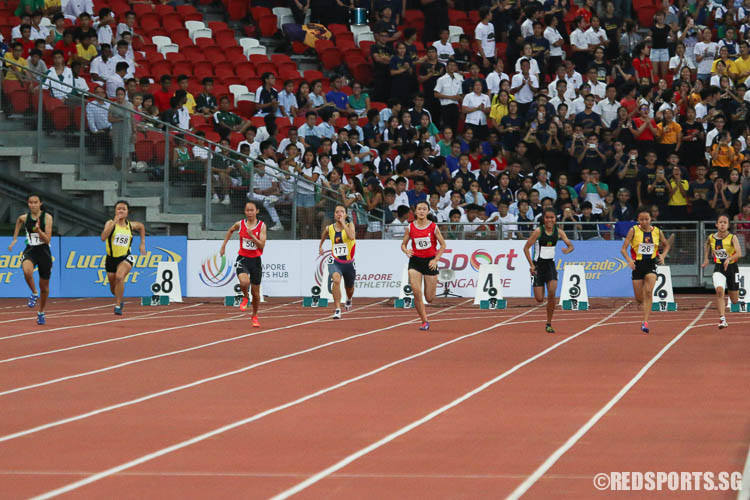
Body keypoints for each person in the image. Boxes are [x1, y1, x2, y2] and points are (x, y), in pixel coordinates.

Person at [523, 208, 575, 333]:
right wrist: (531, 265)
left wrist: (567, 250)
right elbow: (526, 248)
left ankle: (549, 322)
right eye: (547, 217)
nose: (550, 220)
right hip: (538, 267)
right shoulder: (538, 232)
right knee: (539, 299)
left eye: (552, 217)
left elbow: (571, 245)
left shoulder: (559, 232)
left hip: (550, 266)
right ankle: (543, 296)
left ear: (555, 219)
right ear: (543, 219)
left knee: (552, 292)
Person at [620, 206, 670, 333]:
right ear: (638, 220)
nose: (644, 222)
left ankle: (645, 322)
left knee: (648, 292)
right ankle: (644, 305)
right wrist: (629, 260)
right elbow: (623, 249)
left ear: (650, 219)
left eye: (646, 219)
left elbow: (666, 245)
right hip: (637, 266)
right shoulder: (633, 231)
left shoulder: (657, 231)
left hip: (650, 265)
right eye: (641, 219)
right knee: (639, 298)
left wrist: (663, 256)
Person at [400, 200, 447, 331]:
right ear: (415, 211)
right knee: (416, 293)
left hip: (430, 262)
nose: (421, 211)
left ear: (427, 211)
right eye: (419, 209)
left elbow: (443, 245)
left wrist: (436, 260)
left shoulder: (433, 227)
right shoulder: (410, 227)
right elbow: (403, 244)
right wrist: (406, 250)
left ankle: (426, 313)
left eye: (424, 209)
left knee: (430, 298)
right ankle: (424, 321)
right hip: (415, 262)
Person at [7, 194, 53, 325]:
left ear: (40, 203)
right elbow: (19, 221)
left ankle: (41, 312)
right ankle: (33, 292)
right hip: (30, 250)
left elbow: (48, 239)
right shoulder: (24, 217)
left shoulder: (47, 218)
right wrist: (15, 239)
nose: (32, 205)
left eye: (35, 202)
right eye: (30, 202)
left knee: (45, 288)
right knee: (27, 271)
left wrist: (39, 231)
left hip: (44, 252)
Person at [219, 201, 266, 327]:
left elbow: (262, 246)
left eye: (252, 210)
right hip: (243, 259)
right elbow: (230, 231)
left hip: (255, 261)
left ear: (257, 211)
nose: (249, 213)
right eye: (247, 210)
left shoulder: (261, 226)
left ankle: (254, 315)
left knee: (256, 295)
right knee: (244, 282)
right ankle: (245, 297)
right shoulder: (240, 224)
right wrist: (223, 246)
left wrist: (252, 236)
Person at [101, 200, 146, 316]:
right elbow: (103, 237)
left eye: (123, 209)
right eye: (118, 209)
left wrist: (142, 243)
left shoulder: (130, 225)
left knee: (120, 277)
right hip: (111, 259)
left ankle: (117, 305)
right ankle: (120, 299)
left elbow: (141, 226)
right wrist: (114, 223)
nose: (121, 210)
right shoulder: (110, 223)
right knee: (113, 289)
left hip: (125, 257)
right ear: (115, 211)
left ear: (127, 212)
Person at [702, 214, 743, 329]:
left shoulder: (732, 237)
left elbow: (739, 253)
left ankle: (732, 299)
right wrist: (706, 259)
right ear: (716, 224)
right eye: (720, 222)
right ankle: (722, 319)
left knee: (734, 300)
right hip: (719, 268)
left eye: (725, 222)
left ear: (728, 225)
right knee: (719, 291)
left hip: (732, 268)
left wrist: (729, 259)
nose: (723, 224)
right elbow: (706, 244)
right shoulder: (711, 237)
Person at [318, 204, 356, 319]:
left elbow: (351, 236)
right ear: (334, 215)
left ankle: (349, 299)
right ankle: (338, 309)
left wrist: (343, 223)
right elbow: (324, 235)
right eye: (337, 212)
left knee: (349, 288)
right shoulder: (330, 228)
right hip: (336, 261)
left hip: (349, 263)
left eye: (342, 212)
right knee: (336, 280)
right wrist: (320, 246)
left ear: (345, 214)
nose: (339, 214)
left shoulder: (350, 225)